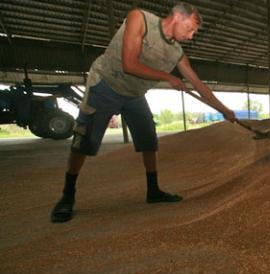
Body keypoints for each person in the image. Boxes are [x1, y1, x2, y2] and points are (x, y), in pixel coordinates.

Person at [50, 3, 235, 223]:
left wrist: (224, 110)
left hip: (134, 94)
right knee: (84, 141)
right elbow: (129, 64)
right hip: (105, 85)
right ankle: (67, 196)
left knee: (149, 139)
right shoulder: (140, 19)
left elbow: (197, 83)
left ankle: (153, 190)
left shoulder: (176, 53)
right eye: (190, 28)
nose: (192, 35)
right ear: (176, 17)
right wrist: (168, 77)